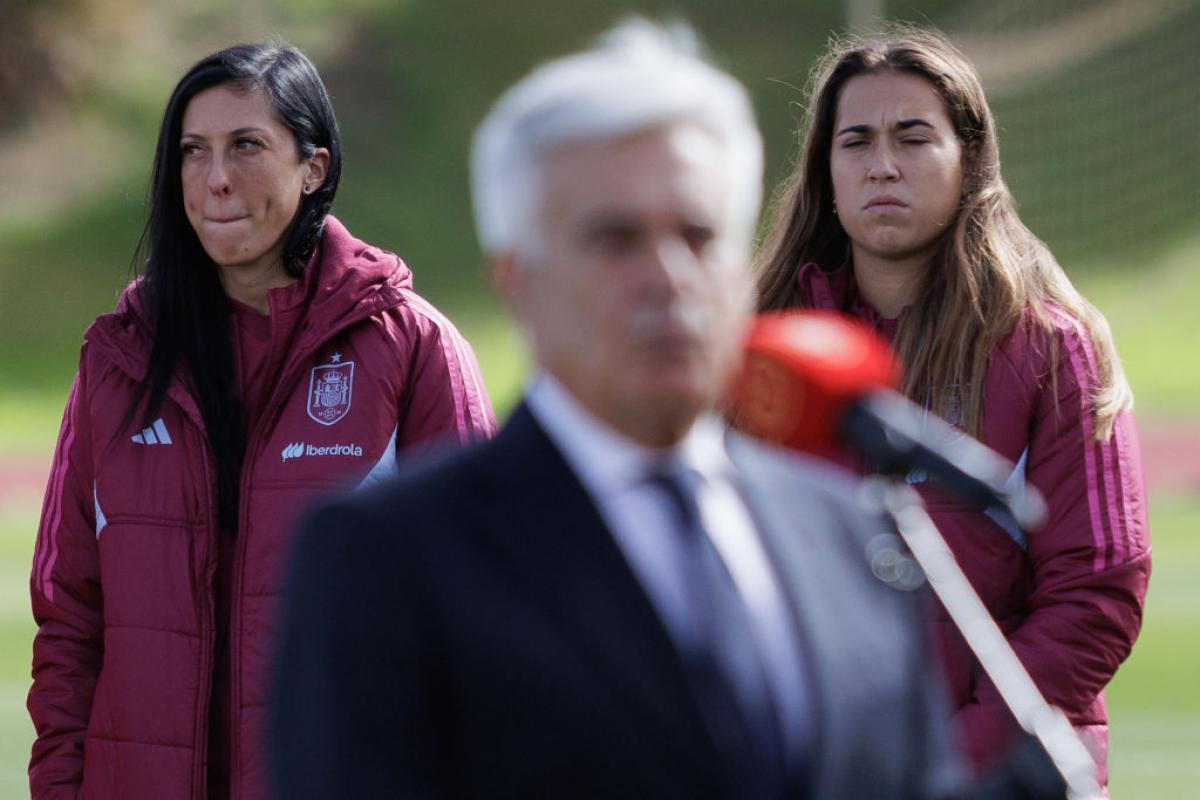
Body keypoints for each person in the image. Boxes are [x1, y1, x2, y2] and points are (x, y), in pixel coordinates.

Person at [270, 19, 968, 799]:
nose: (668, 277)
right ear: (518, 280)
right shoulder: (386, 562)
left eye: (699, 236)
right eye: (615, 240)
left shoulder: (852, 535)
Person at [27, 42, 495, 799]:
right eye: (193, 151)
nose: (216, 179)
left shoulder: (413, 349)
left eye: (247, 146)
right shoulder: (117, 360)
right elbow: (69, 620)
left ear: (314, 168)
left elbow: (484, 613)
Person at [755, 25, 1150, 785]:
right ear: (824, 172)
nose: (882, 166)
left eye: (912, 139)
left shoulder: (1048, 346)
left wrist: (954, 760)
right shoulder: (767, 352)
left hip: (992, 774)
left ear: (970, 162)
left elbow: (1096, 591)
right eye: (856, 142)